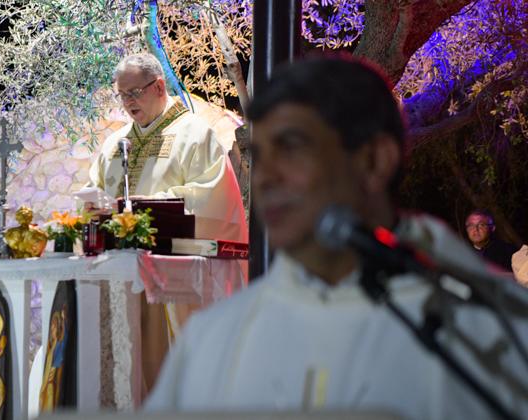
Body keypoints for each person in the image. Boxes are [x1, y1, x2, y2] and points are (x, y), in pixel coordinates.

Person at [145, 55, 528, 419]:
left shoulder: (493, 329)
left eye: (291, 149)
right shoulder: (214, 337)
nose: (266, 177)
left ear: (374, 160)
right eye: (262, 155)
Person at [86, 52, 247, 243]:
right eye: (122, 95)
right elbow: (92, 195)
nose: (128, 102)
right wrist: (92, 207)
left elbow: (211, 202)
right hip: (116, 262)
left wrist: (140, 208)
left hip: (174, 262)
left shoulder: (197, 135)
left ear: (159, 87)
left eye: (135, 92)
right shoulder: (115, 143)